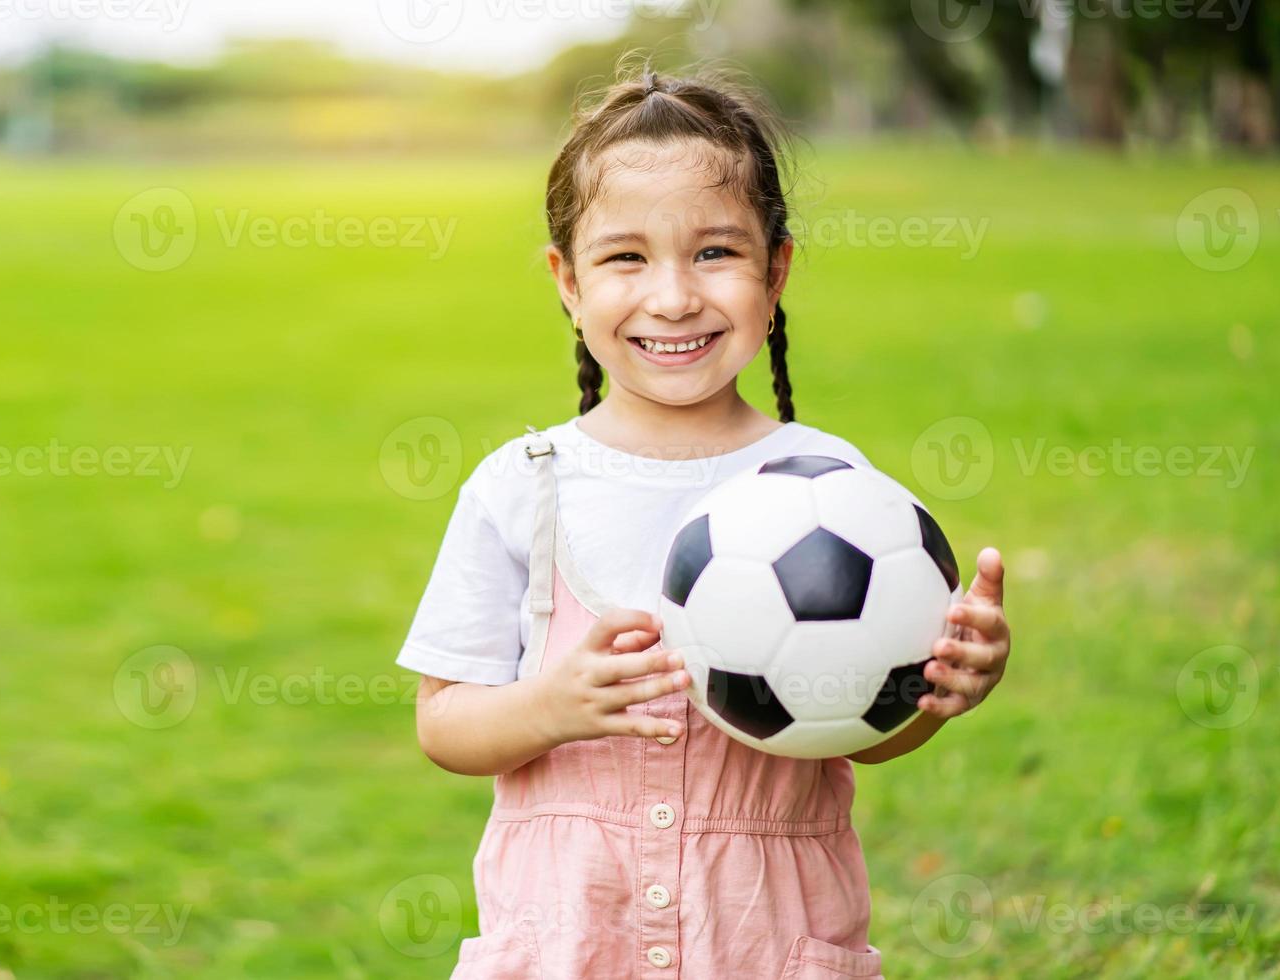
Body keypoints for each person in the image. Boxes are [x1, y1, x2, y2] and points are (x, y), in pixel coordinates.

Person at [396, 67, 1013, 978]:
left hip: (763, 943)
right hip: (569, 943)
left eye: (716, 253)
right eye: (626, 257)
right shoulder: (520, 488)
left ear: (778, 269)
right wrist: (551, 706)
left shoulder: (840, 490)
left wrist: (943, 689)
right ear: (567, 281)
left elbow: (873, 730)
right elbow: (444, 723)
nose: (675, 297)